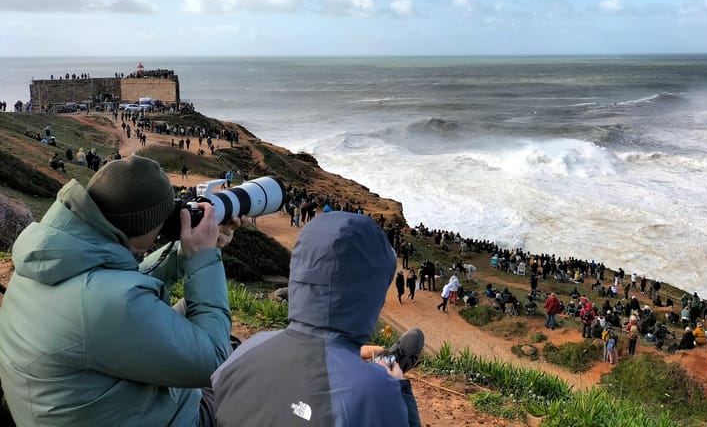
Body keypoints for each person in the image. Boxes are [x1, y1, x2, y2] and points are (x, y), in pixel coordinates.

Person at [0, 155, 239, 427]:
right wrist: (203, 258)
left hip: (79, 410)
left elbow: (119, 281)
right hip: (170, 418)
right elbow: (214, 361)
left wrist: (184, 252)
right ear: (142, 227)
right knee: (256, 382)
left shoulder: (46, 259)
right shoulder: (108, 303)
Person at [211, 212, 422, 427]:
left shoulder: (246, 350)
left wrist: (344, 359)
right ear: (372, 293)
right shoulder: (374, 391)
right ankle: (396, 370)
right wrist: (396, 385)